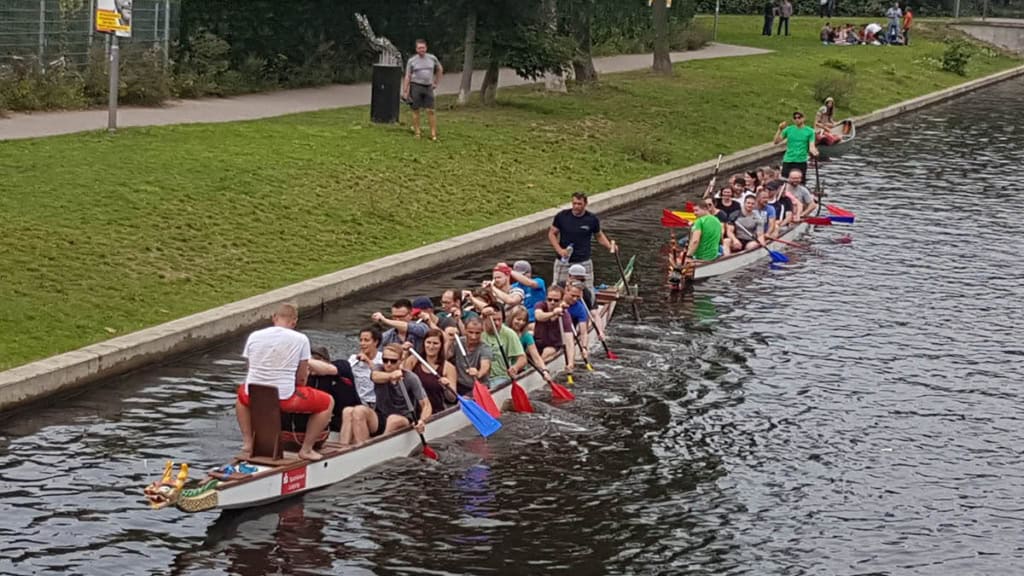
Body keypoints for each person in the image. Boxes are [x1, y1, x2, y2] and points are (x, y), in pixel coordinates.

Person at [235, 303, 333, 461]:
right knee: (328, 402)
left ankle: (248, 443)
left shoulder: (254, 336)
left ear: (274, 318)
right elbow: (301, 376)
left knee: (241, 398)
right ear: (294, 322)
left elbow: (249, 367)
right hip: (285, 397)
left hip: (254, 394)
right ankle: (306, 449)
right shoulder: (301, 339)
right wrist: (299, 387)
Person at [548, 191, 618, 289]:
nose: (576, 206)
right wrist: (559, 250)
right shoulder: (562, 216)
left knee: (587, 289)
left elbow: (599, 236)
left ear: (585, 204)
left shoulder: (592, 219)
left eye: (579, 204)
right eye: (574, 203)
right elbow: (552, 234)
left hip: (584, 260)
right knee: (557, 287)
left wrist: (609, 246)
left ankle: (589, 303)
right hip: (564, 260)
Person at [291, 346, 360, 434]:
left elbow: (327, 369)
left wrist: (304, 360)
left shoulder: (342, 366)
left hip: (349, 417)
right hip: (325, 422)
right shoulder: (308, 378)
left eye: (316, 360)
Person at [371, 344, 433, 435]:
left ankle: (380, 446)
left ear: (400, 361)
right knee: (354, 411)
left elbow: (426, 404)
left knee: (393, 420)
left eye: (393, 361)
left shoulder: (410, 378)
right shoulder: (378, 369)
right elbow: (374, 376)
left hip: (404, 418)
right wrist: (391, 376)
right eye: (385, 360)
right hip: (381, 415)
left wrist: (422, 421)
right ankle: (351, 446)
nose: (388, 364)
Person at [343, 326, 384, 446]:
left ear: (375, 342)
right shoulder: (353, 359)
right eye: (361, 340)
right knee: (347, 411)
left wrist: (368, 361)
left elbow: (384, 374)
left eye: (366, 340)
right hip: (360, 401)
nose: (362, 343)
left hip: (378, 406)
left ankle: (362, 448)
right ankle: (342, 448)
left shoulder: (384, 359)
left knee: (358, 412)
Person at [404, 328, 458, 412]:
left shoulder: (448, 367)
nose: (431, 347)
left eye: (435, 343)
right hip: (413, 412)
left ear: (441, 345)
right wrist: (404, 353)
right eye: (428, 342)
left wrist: (447, 387)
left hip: (436, 412)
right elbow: (403, 384)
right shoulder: (413, 360)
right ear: (424, 343)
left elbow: (452, 398)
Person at [402, 39, 443, 141]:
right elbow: (407, 75)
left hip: (428, 87)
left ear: (426, 48)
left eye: (423, 48)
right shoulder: (412, 61)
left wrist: (436, 82)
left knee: (431, 110)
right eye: (419, 48)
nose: (421, 50)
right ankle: (417, 132)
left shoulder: (432, 58)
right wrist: (405, 90)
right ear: (416, 49)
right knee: (416, 110)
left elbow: (439, 69)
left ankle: (433, 134)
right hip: (416, 86)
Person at [448, 316, 493, 396]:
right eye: (471, 332)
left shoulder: (485, 347)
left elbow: (485, 366)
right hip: (460, 385)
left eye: (477, 333)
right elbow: (445, 357)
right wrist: (448, 340)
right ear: (465, 330)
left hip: (479, 387)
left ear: (482, 332)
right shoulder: (458, 342)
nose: (473, 336)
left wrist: (478, 373)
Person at [481, 306, 527, 381]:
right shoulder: (477, 331)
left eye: (499, 319)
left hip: (500, 377)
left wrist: (515, 368)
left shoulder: (509, 333)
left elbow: (522, 359)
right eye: (494, 320)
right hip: (481, 379)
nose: (497, 323)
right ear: (485, 319)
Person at [507, 305, 553, 380]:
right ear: (511, 318)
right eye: (518, 319)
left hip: (518, 369)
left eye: (524, 320)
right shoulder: (503, 331)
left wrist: (544, 370)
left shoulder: (526, 336)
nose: (521, 323)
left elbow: (536, 357)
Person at [773, 111, 819, 184]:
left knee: (800, 183)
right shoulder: (788, 129)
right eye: (795, 118)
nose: (797, 119)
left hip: (801, 161)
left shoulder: (810, 131)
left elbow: (811, 146)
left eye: (799, 117)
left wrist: (814, 152)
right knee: (784, 181)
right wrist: (780, 129)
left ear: (803, 118)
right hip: (788, 160)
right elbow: (776, 142)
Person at [533, 286, 571, 362]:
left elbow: (569, 339)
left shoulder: (565, 315)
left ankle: (540, 366)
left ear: (561, 301)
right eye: (549, 299)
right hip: (538, 341)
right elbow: (538, 316)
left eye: (556, 300)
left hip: (553, 345)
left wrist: (570, 362)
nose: (552, 302)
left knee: (546, 353)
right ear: (546, 298)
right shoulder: (540, 305)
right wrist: (553, 313)